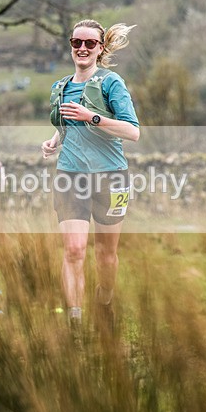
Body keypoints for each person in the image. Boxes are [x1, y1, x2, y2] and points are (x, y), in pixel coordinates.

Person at [40, 19, 140, 340]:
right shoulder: (60, 87)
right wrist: (54, 142)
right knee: (74, 250)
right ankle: (75, 323)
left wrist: (92, 117)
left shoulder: (112, 83)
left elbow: (132, 132)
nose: (82, 48)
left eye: (89, 43)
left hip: (111, 177)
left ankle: (105, 298)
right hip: (70, 177)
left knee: (106, 254)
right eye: (76, 42)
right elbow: (66, 127)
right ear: (70, 46)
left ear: (100, 48)